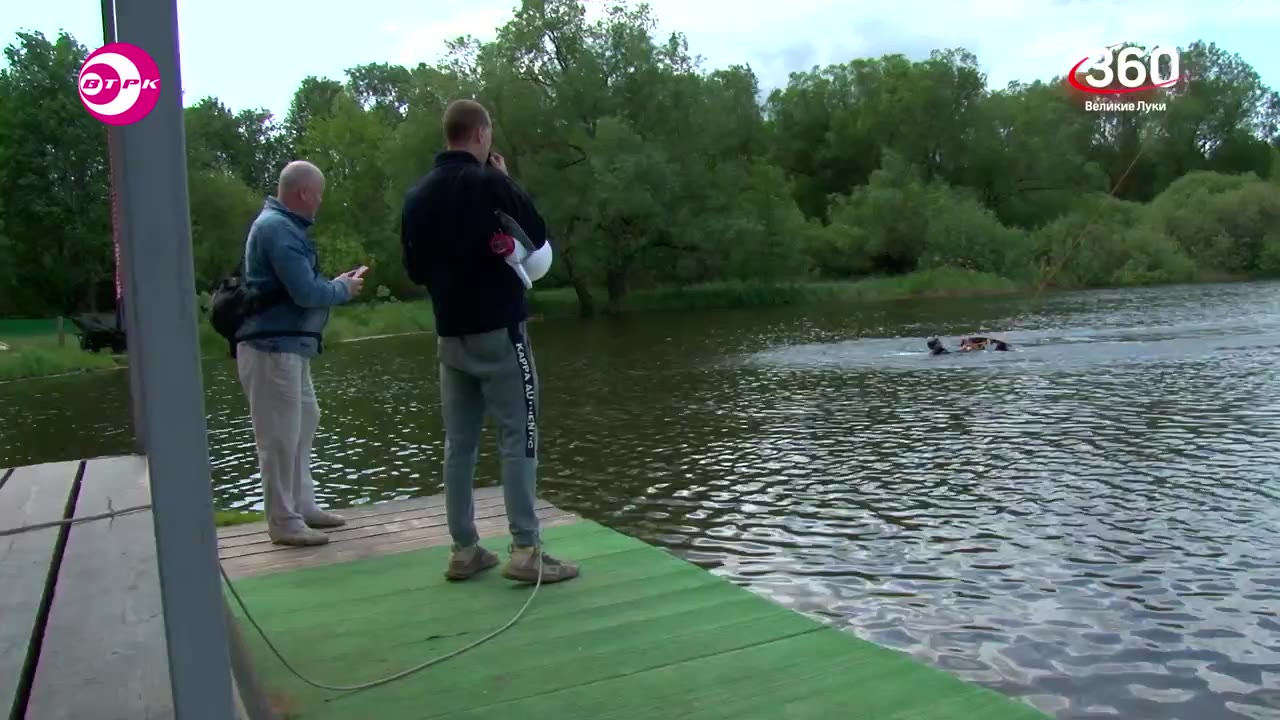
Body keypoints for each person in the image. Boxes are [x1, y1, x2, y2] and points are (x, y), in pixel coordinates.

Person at [400, 98, 578, 584]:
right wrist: (505, 179)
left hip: (449, 336)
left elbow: (415, 270)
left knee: (459, 445)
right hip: (501, 331)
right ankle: (525, 550)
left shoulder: (416, 197)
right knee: (518, 436)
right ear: (480, 136)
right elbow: (537, 237)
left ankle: (464, 550)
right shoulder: (488, 182)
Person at [236, 160, 365, 546]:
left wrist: (334, 285)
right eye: (319, 195)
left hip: (288, 347)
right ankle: (283, 521)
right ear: (304, 193)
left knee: (305, 420)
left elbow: (302, 285)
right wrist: (342, 289)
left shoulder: (281, 227)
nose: (320, 204)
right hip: (270, 348)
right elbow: (306, 291)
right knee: (278, 437)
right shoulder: (277, 229)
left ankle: (302, 505)